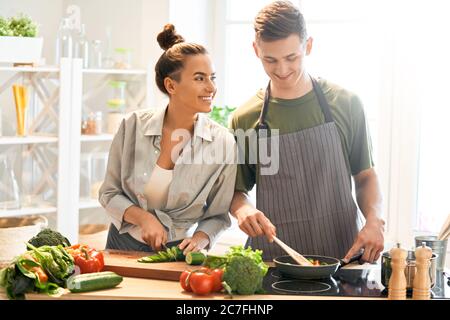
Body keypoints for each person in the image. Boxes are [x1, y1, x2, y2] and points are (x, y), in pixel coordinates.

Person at [229, 1, 384, 263]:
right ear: (256, 50)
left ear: (308, 46)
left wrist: (374, 220)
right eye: (270, 59)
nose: (282, 70)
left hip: (342, 259)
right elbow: (235, 191)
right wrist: (242, 209)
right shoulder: (245, 118)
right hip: (273, 262)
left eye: (292, 58)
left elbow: (366, 176)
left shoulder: (346, 104)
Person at [99, 24, 237, 255]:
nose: (211, 87)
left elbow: (218, 214)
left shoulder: (223, 143)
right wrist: (143, 218)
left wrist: (202, 238)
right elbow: (109, 193)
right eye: (200, 78)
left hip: (179, 251)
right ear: (171, 85)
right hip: (122, 243)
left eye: (212, 77)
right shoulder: (132, 126)